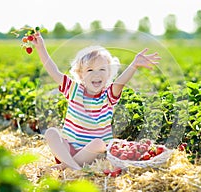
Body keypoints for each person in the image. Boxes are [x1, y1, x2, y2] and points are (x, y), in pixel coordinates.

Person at [32, 32, 161, 170]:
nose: (96, 74)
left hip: (92, 155)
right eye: (90, 70)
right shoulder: (74, 90)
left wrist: (134, 65)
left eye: (102, 69)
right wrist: (41, 48)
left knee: (99, 143)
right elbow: (54, 71)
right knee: (51, 133)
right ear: (80, 75)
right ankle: (73, 167)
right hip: (68, 151)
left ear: (108, 74)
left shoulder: (107, 96)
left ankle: (69, 167)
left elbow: (120, 82)